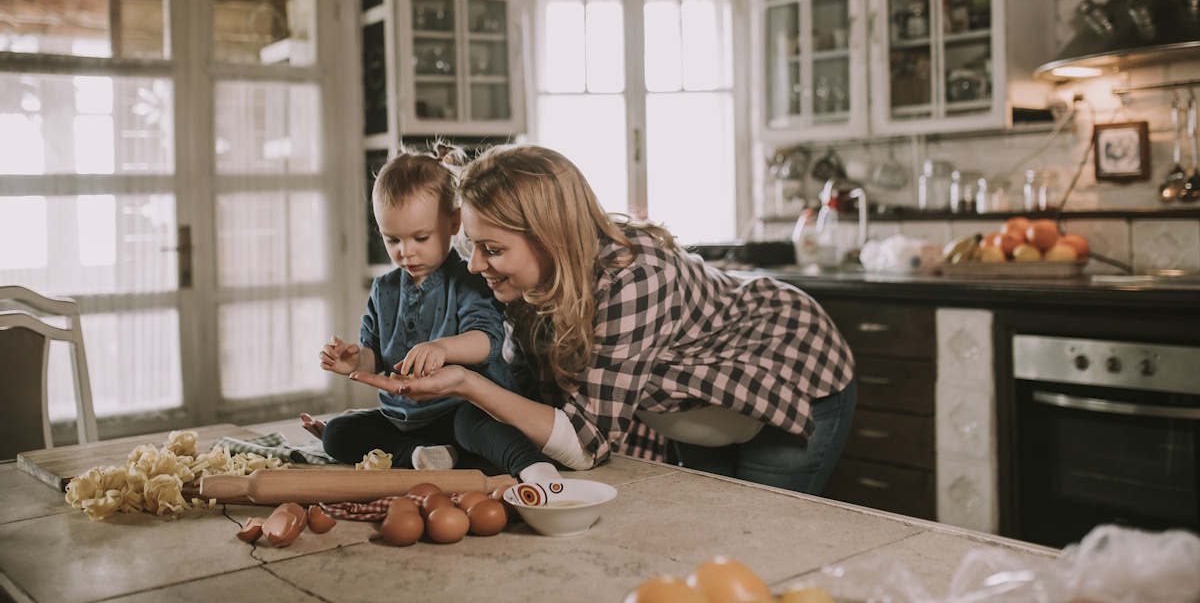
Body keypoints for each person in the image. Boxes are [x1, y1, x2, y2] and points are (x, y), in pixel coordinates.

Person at [351, 144, 857, 496]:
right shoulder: (525, 283)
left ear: (548, 236)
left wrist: (464, 383)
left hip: (791, 367)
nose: (476, 264)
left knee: (760, 545)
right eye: (472, 246)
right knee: (711, 536)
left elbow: (584, 443)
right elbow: (537, 404)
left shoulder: (634, 275)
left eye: (492, 248)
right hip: (701, 406)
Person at [302, 144, 556, 481]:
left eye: (421, 238)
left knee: (477, 426)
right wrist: (353, 360)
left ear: (453, 221)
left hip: (465, 410)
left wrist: (442, 348)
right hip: (404, 418)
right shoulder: (384, 289)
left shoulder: (470, 279)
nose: (406, 252)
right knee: (337, 432)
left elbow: (487, 341)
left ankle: (532, 466)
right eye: (392, 240)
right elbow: (376, 356)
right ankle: (421, 456)